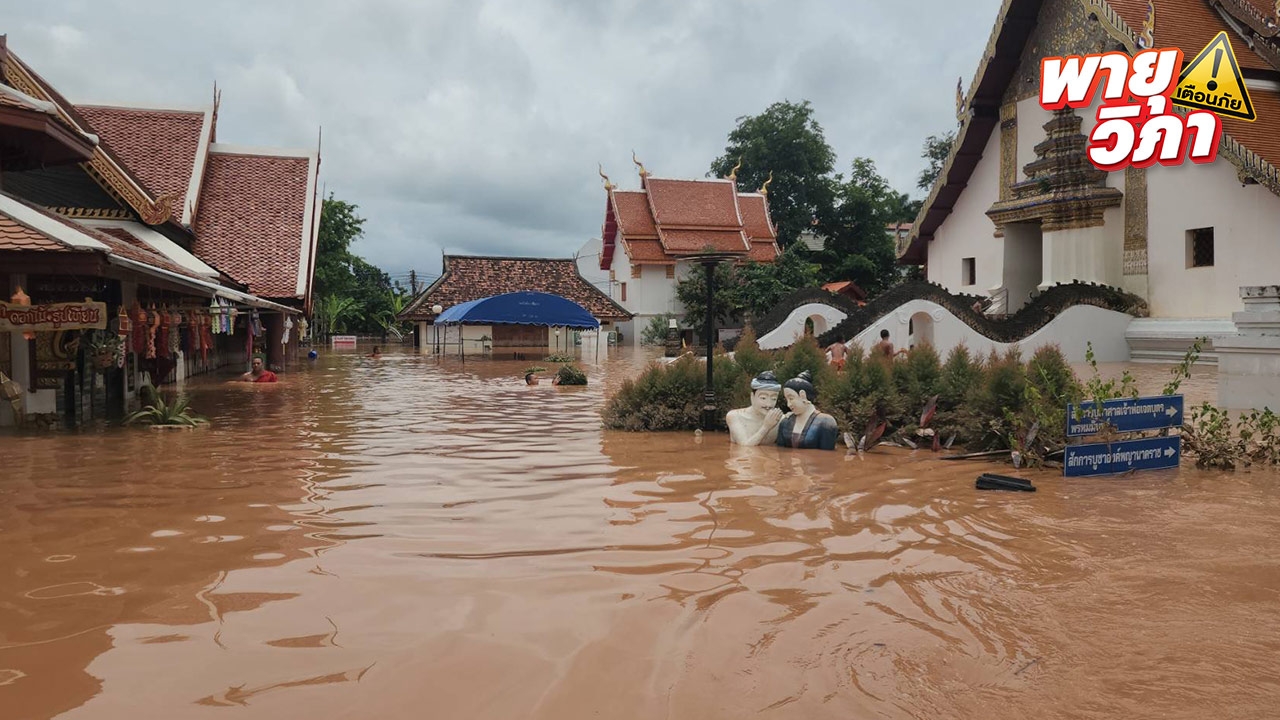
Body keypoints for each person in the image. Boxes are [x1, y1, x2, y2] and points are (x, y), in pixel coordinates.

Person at [776, 371, 839, 450]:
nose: (788, 404)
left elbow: (826, 457)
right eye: (787, 399)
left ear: (803, 395)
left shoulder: (826, 422)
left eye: (791, 398)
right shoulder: (785, 423)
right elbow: (780, 453)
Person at [727, 371, 784, 445]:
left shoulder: (780, 420)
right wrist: (766, 427)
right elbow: (745, 447)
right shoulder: (735, 416)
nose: (768, 404)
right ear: (752, 397)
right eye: (763, 398)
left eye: (773, 399)